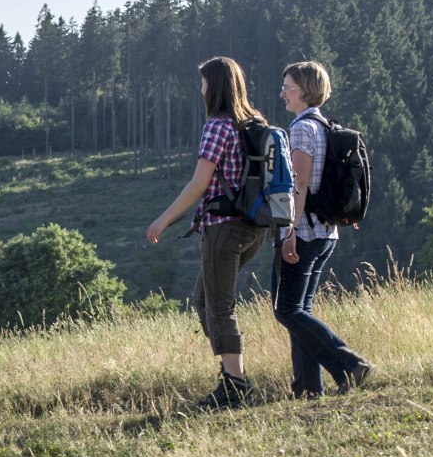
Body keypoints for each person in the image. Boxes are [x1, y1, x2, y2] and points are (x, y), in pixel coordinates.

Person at [146, 56, 269, 408]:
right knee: (205, 300)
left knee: (218, 306)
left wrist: (164, 219)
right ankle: (232, 374)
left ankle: (236, 385)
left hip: (224, 227)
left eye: (202, 82)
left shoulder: (217, 126)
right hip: (253, 227)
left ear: (213, 86)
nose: (199, 89)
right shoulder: (254, 122)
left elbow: (200, 183)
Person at [273, 61, 372, 397]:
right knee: (301, 310)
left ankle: (349, 364)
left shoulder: (301, 128)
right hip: (325, 231)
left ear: (306, 90)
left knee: (287, 310)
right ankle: (307, 389)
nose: (283, 93)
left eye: (289, 87)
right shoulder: (324, 125)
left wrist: (289, 231)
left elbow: (299, 183)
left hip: (304, 231)